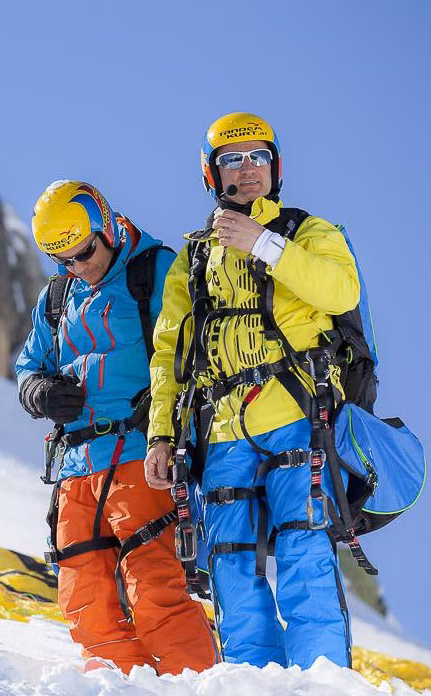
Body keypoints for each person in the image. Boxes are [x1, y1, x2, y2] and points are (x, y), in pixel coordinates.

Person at [143, 112, 360, 669]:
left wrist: (266, 244)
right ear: (211, 175)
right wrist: (161, 436)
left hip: (297, 414)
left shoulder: (309, 233)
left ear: (276, 166)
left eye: (258, 157)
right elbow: (169, 355)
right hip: (219, 432)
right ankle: (252, 681)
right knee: (231, 567)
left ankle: (323, 683)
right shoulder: (192, 258)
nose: (248, 169)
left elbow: (340, 291)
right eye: (232, 159)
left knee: (303, 550)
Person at [15, 180, 219, 675]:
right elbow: (28, 364)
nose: (78, 265)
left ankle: (197, 685)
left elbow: (192, 350)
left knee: (155, 590)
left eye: (85, 251)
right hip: (75, 464)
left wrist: (170, 418)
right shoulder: (58, 296)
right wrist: (37, 391)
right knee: (85, 601)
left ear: (104, 224)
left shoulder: (155, 271)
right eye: (64, 259)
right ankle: (121, 687)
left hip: (141, 457)